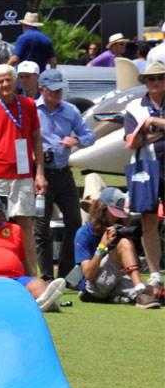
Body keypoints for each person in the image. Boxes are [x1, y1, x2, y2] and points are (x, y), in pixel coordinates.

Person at [0, 64, 46, 277]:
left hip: (23, 175)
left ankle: (33, 277)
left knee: (26, 228)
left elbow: (36, 140)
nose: (5, 84)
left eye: (9, 79)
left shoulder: (29, 105)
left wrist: (39, 173)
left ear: (15, 81)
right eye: (1, 80)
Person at [35, 68, 96, 281]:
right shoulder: (33, 110)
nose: (58, 93)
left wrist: (76, 141)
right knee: (41, 227)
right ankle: (44, 275)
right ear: (42, 89)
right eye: (53, 90)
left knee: (74, 221)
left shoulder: (70, 110)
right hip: (41, 174)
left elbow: (90, 135)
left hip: (63, 172)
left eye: (60, 89)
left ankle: (66, 272)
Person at [0, 194, 65, 311]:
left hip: (13, 280)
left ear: (2, 215)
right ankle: (38, 303)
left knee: (39, 285)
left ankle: (45, 301)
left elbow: (23, 259)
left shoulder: (14, 229)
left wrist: (32, 278)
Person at [74, 187, 160, 308]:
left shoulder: (117, 227)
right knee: (124, 243)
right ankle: (139, 292)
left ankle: (131, 294)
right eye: (113, 212)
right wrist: (103, 245)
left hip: (116, 278)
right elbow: (88, 275)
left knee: (155, 292)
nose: (116, 217)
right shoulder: (83, 233)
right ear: (102, 209)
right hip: (93, 287)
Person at [122, 60, 165, 298]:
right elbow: (130, 140)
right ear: (145, 82)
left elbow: (142, 132)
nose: (156, 82)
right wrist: (146, 134)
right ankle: (156, 274)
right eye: (151, 79)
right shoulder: (135, 106)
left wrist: (153, 123)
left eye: (160, 78)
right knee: (148, 221)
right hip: (146, 168)